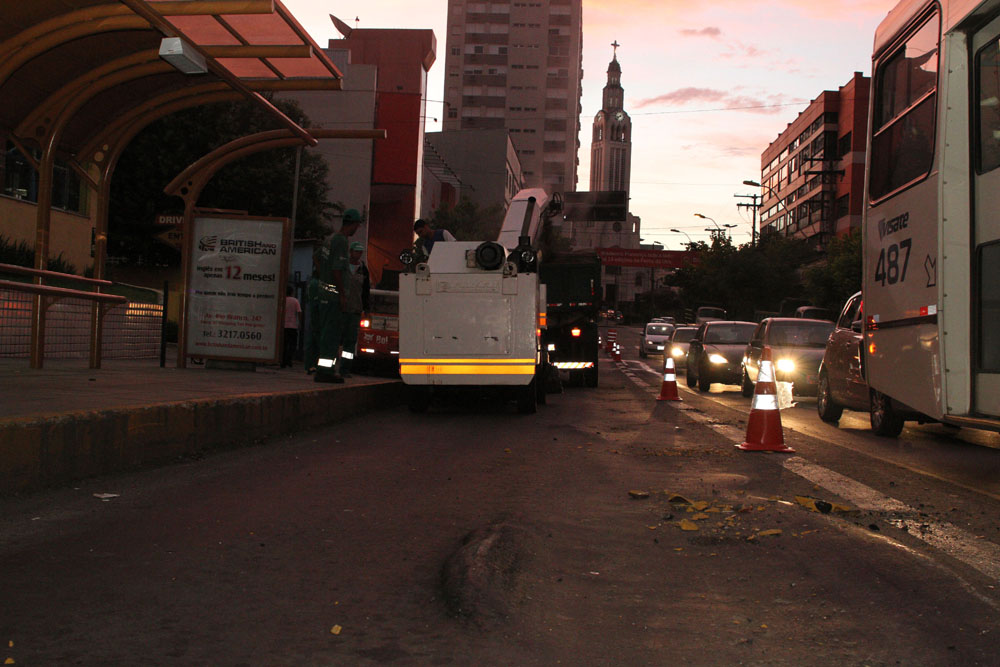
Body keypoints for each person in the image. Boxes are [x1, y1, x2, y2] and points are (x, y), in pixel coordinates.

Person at [315, 209, 362, 383]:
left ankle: (323, 369)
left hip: (323, 294)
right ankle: (325, 372)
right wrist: (342, 294)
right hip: (334, 296)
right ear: (355, 224)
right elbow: (337, 270)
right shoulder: (341, 241)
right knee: (332, 334)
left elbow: (317, 258)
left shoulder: (330, 239)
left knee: (325, 332)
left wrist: (323, 277)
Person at [339, 241, 370, 378]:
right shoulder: (342, 267)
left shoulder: (363, 269)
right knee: (335, 338)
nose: (358, 254)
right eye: (356, 251)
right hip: (340, 309)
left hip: (355, 310)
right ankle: (329, 367)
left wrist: (366, 307)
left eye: (360, 252)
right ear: (350, 252)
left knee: (350, 341)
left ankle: (345, 368)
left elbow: (366, 290)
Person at [282, 284, 302, 368]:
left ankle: (283, 361)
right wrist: (299, 323)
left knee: (284, 344)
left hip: (284, 326)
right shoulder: (295, 301)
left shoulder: (283, 300)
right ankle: (289, 360)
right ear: (292, 292)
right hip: (293, 326)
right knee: (292, 345)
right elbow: (299, 312)